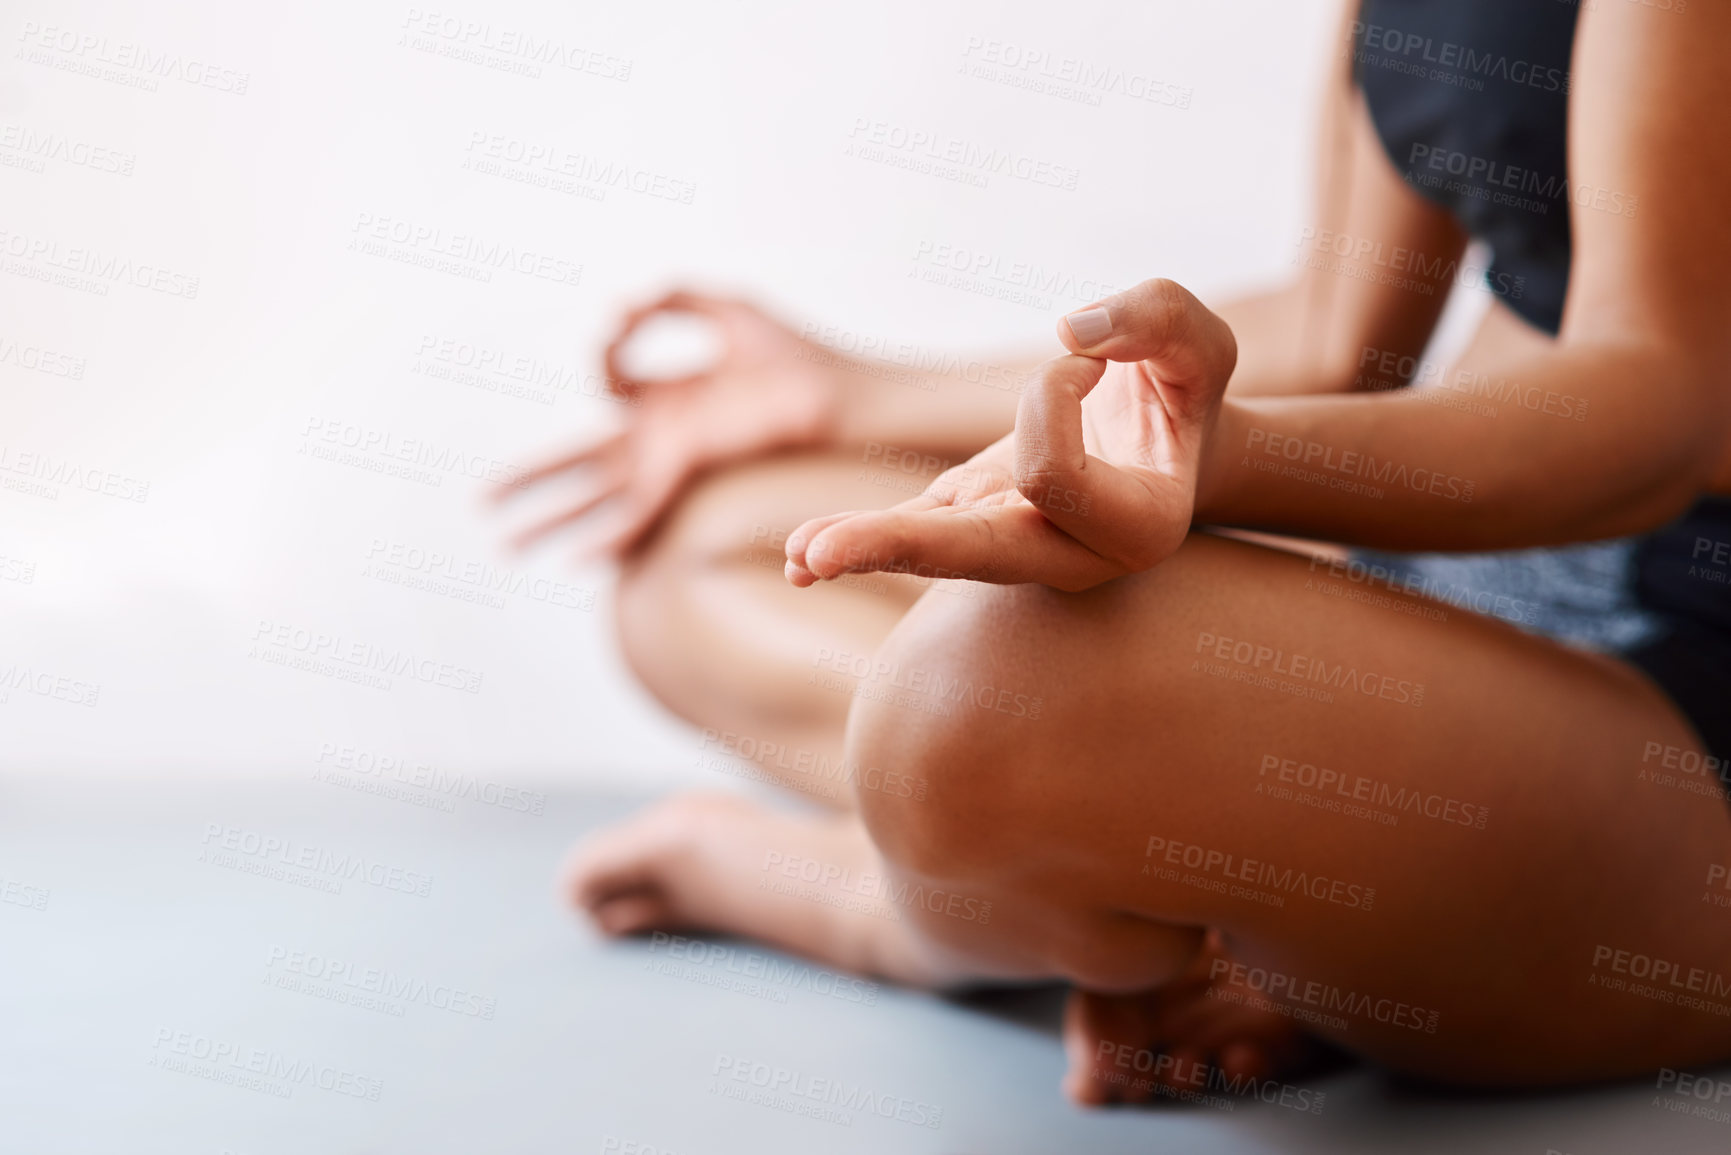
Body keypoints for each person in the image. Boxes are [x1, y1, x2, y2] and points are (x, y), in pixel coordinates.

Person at [495, 0, 1731, 1104]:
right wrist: (844, 397)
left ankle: (884, 908)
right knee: (714, 551)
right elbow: (1335, 330)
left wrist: (1214, 463)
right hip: (1438, 608)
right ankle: (1209, 918)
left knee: (992, 673)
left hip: (1683, 713)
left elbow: (1662, 409)